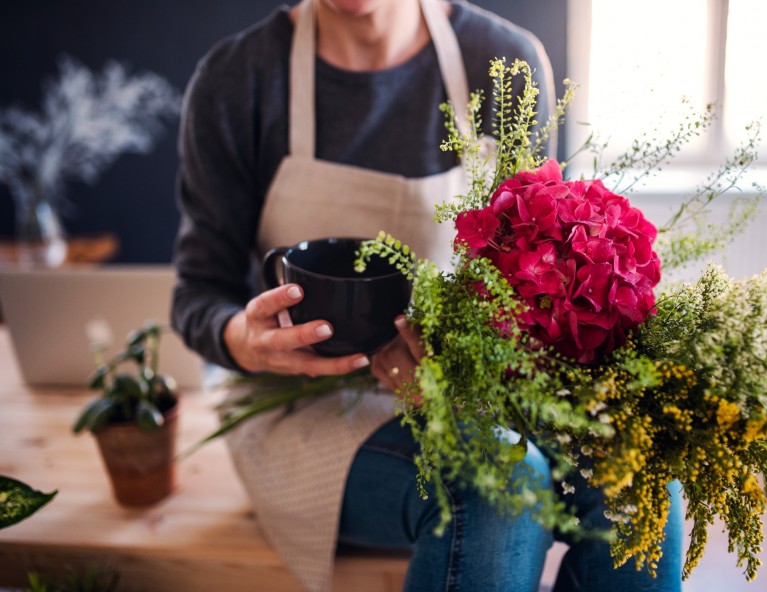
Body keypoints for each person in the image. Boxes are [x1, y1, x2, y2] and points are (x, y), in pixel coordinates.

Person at [172, 0, 683, 590]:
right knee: (504, 483)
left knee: (639, 474)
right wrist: (245, 339)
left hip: (470, 388)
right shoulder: (238, 79)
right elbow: (196, 292)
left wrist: (468, 361)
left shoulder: (503, 63)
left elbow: (541, 277)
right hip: (297, 403)